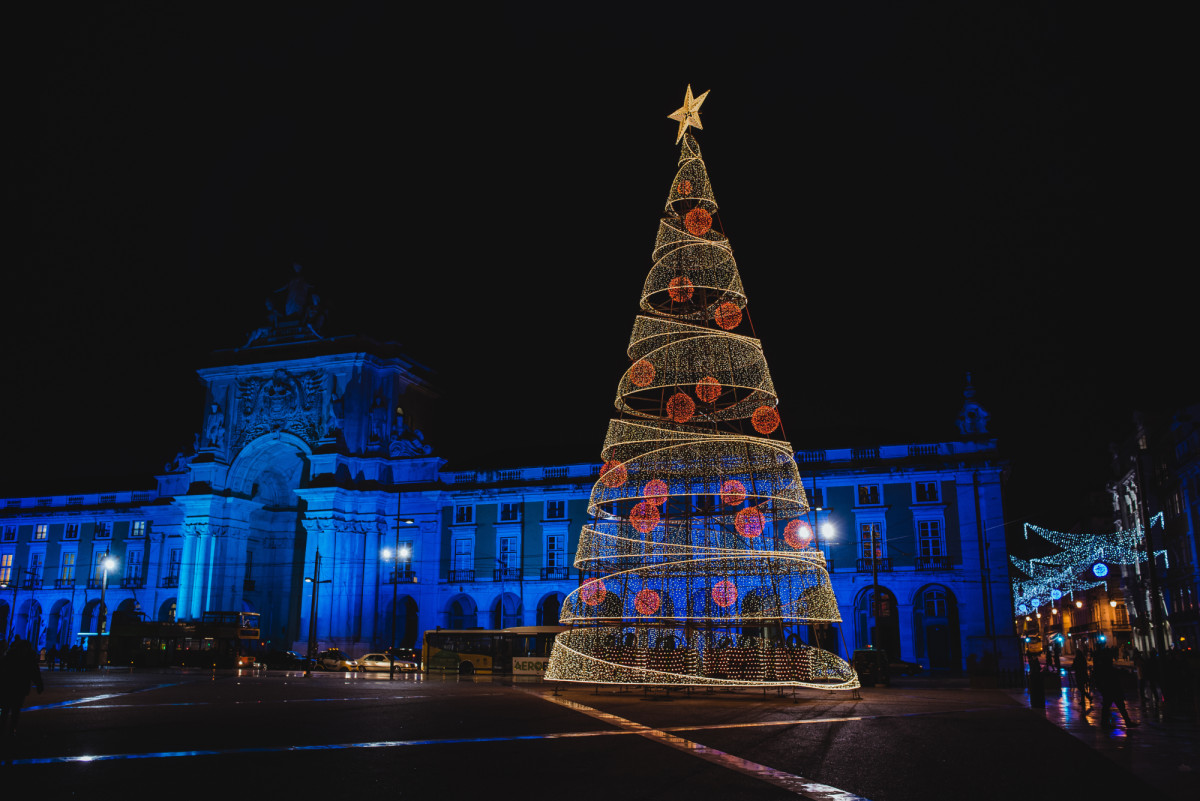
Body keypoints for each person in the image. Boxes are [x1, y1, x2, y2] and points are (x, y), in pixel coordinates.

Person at [0, 636, 45, 749]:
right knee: (13, 710)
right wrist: (39, 685)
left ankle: (6, 729)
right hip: (18, 688)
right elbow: (34, 673)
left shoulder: (10, 656)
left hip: (9, 687)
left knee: (7, 709)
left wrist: (39, 684)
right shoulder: (27, 659)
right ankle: (11, 730)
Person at [1093, 646, 1137, 728]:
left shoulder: (1103, 668)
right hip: (1113, 690)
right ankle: (1126, 722)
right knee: (1118, 706)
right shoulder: (1108, 669)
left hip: (1109, 690)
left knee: (1108, 707)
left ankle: (1105, 722)